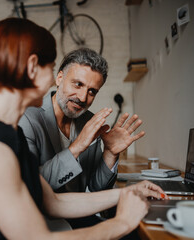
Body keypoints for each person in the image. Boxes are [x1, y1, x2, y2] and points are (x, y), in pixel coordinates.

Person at [0, 18, 166, 240]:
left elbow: (54, 202)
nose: (53, 79)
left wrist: (128, 192)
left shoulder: (8, 134)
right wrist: (122, 223)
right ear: (33, 67)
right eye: (51, 69)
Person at [19, 48, 145, 193]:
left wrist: (110, 153)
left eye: (92, 91)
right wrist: (77, 147)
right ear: (59, 78)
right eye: (78, 84)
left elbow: (96, 188)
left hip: (82, 212)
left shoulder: (90, 122)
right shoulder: (27, 119)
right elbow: (31, 184)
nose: (83, 97)